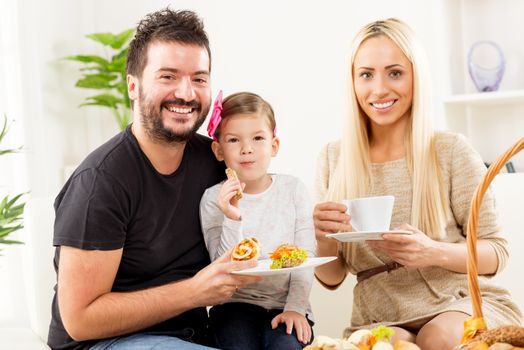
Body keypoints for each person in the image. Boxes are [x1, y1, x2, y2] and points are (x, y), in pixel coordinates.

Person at [48, 9, 261, 350]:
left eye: (199, 79)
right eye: (168, 76)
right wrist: (195, 291)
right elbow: (79, 320)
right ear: (133, 85)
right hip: (105, 343)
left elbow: (263, 211)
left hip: (193, 335)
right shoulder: (99, 183)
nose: (187, 93)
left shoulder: (215, 159)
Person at [313, 18, 522, 350]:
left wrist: (433, 252)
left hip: (458, 302)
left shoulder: (450, 150)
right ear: (352, 82)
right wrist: (323, 241)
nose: (379, 89)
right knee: (387, 345)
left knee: (437, 339)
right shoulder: (333, 158)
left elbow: (496, 253)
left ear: (416, 77)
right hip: (379, 313)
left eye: (395, 72)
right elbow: (331, 277)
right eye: (366, 74)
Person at [199, 91, 316, 349]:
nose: (247, 148)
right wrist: (232, 216)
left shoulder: (293, 189)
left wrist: (296, 308)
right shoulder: (212, 199)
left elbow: (306, 258)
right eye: (233, 140)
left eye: (258, 138)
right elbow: (223, 269)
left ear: (274, 145)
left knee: (284, 346)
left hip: (286, 304)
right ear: (218, 150)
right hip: (234, 305)